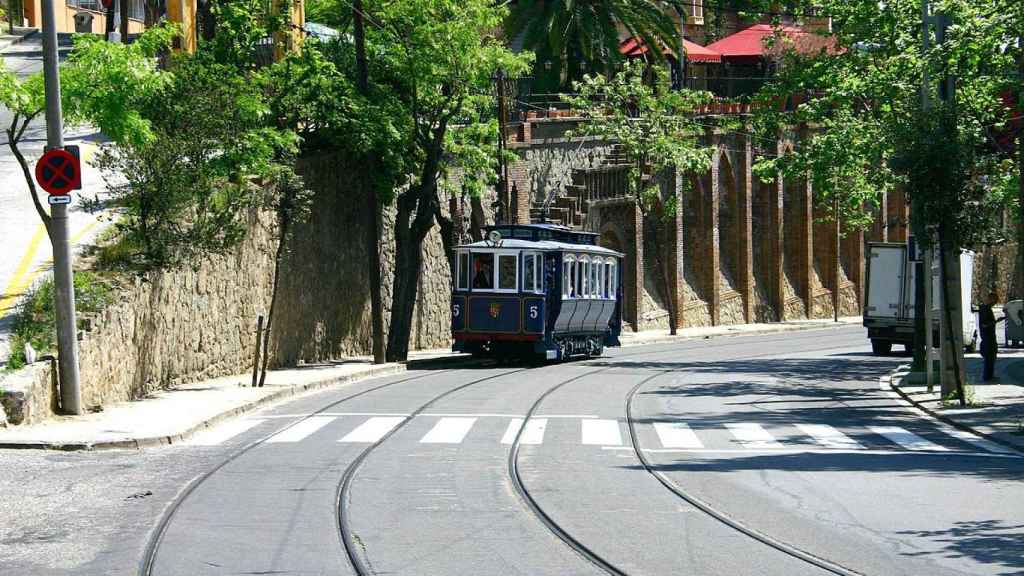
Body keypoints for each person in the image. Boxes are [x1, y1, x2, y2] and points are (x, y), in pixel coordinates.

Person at [978, 291, 1005, 381]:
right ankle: (987, 376)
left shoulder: (985, 308)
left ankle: (989, 375)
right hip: (987, 337)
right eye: (995, 300)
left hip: (988, 336)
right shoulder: (985, 309)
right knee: (989, 356)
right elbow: (984, 324)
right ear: (990, 299)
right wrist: (996, 321)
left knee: (991, 356)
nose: (996, 302)